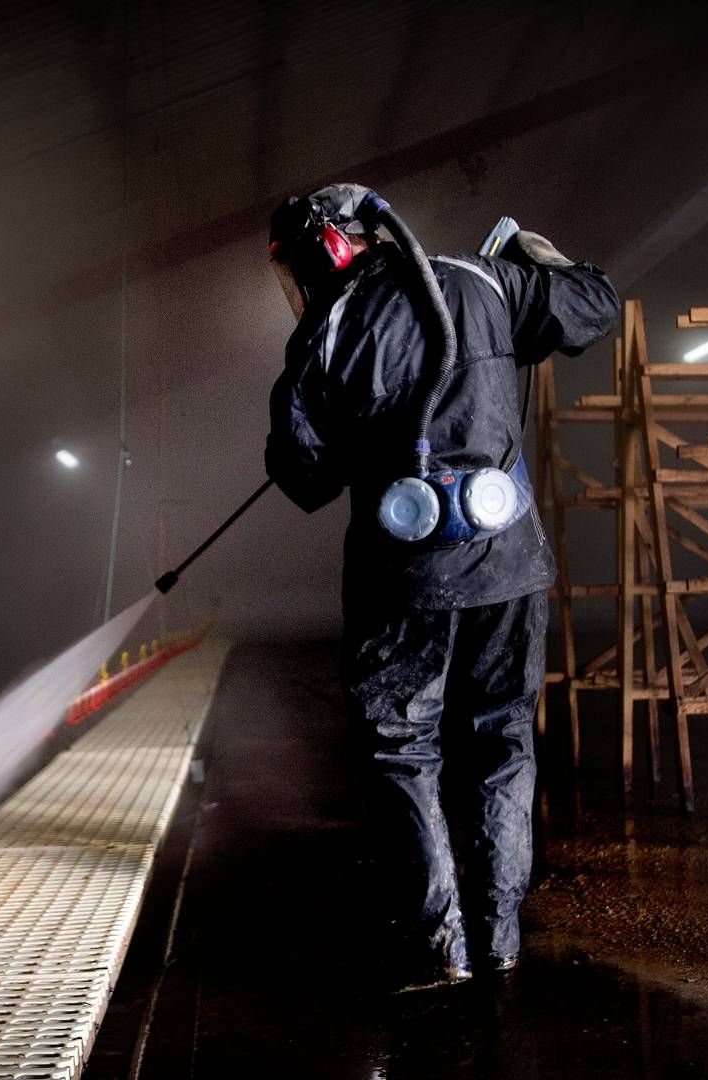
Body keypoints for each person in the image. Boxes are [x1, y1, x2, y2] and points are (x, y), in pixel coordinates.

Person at [264, 183, 619, 989]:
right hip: (508, 562)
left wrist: (357, 425)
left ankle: (438, 948)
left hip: (404, 580)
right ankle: (499, 939)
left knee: (401, 750)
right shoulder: (480, 280)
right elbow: (594, 304)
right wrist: (540, 258)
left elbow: (302, 477)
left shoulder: (326, 332)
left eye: (290, 270)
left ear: (326, 248)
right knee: (503, 743)